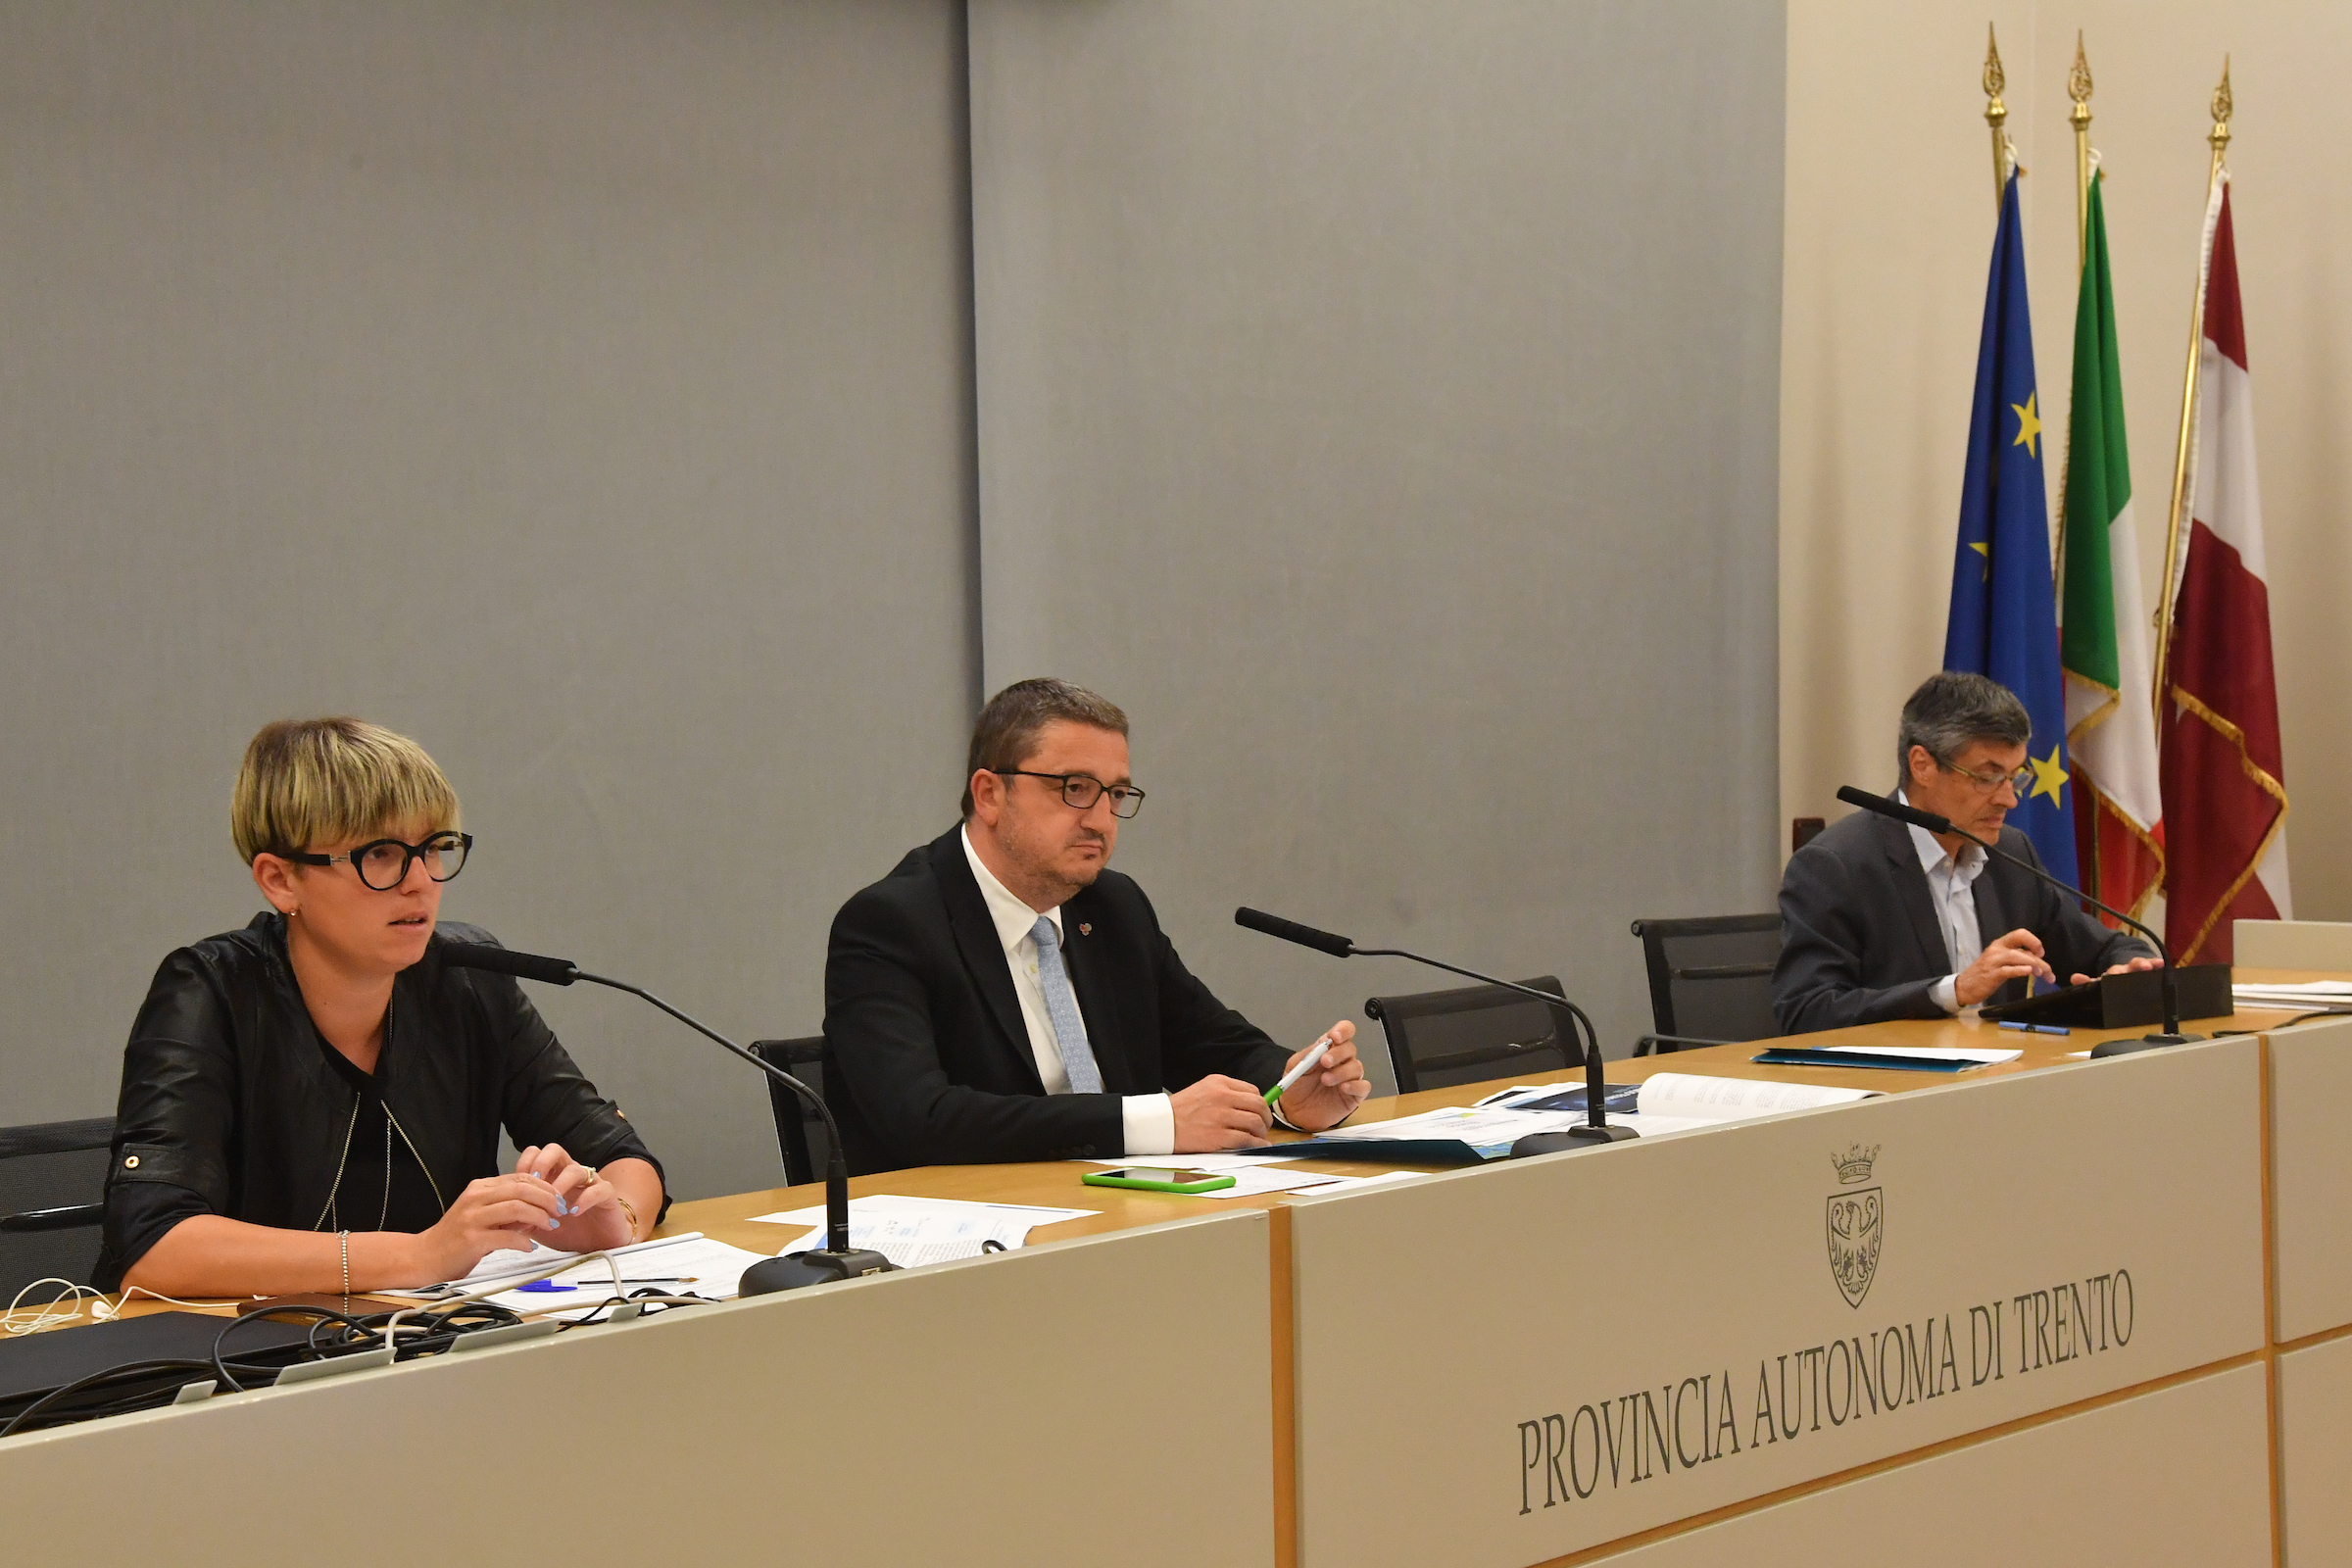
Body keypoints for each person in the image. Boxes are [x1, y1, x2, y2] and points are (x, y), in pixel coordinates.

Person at [95, 717, 666, 1298]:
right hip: (242, 1347)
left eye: (435, 848)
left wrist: (614, 1219)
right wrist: (419, 1256)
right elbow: (152, 1245)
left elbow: (622, 1157)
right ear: (281, 880)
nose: (421, 881)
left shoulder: (468, 980)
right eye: (382, 854)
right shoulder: (210, 992)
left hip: (438, 1337)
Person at [822, 678, 1370, 1174]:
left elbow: (1210, 1041)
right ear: (990, 794)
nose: (1101, 820)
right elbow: (920, 1118)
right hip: (969, 1224)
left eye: (1116, 794)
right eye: (1074, 788)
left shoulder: (1112, 906)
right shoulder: (892, 923)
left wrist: (1289, 1089)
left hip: (1118, 1209)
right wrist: (1153, 1124)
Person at [1773, 671, 2159, 1035]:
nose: (2008, 799)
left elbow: (2111, 948)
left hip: (2003, 1075)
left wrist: (2126, 970)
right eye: (1988, 777)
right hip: (1895, 1080)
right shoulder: (1835, 866)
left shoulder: (2011, 854)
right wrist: (1953, 991)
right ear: (1922, 765)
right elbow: (1806, 1011)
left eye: (2015, 778)